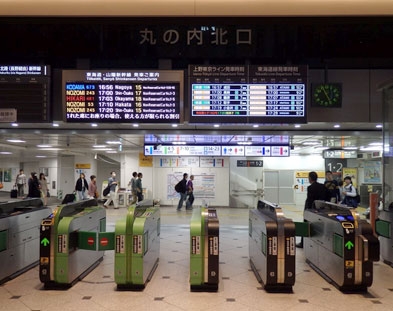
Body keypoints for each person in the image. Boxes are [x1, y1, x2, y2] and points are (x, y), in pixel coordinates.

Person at [297, 171, 328, 248]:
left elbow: (310, 200)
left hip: (311, 209)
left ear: (310, 178)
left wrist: (307, 210)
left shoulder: (310, 187)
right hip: (321, 209)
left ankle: (303, 243)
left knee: (306, 225)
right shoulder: (322, 186)